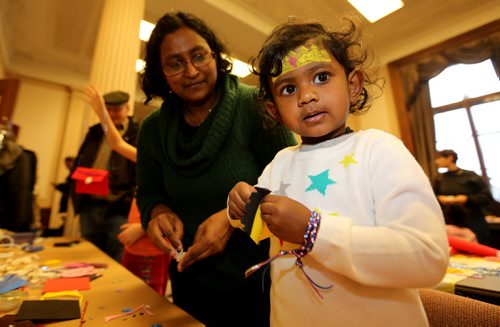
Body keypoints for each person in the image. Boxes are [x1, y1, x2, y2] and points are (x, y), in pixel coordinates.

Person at [227, 19, 449, 326]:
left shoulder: (379, 150)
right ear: (275, 111)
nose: (306, 96)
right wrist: (237, 207)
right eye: (289, 88)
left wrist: (314, 232)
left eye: (320, 77)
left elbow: (428, 258)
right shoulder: (279, 163)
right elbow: (257, 225)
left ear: (353, 84)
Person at [136, 11, 296, 326]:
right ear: (160, 72)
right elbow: (149, 192)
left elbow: (289, 182)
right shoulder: (152, 129)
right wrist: (156, 213)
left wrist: (233, 217)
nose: (191, 71)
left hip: (258, 282)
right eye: (175, 63)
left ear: (215, 55)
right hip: (189, 282)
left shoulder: (254, 106)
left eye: (198, 56)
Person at [83, 85, 171, 296]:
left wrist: (140, 227)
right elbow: (116, 143)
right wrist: (101, 112)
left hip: (152, 244)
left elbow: (172, 204)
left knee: (148, 295)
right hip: (134, 243)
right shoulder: (149, 160)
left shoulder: (169, 166)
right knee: (125, 292)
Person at [70, 90, 138, 262]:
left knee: (116, 260)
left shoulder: (138, 132)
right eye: (108, 110)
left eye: (117, 109)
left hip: (119, 208)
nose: (113, 114)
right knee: (87, 260)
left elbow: (138, 167)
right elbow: (81, 161)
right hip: (90, 205)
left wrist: (128, 199)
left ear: (127, 108)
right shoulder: (94, 132)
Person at [433, 149, 492, 245]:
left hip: (473, 221)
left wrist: (467, 199)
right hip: (449, 223)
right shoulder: (440, 178)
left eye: (439, 158)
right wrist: (440, 198)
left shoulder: (470, 176)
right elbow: (432, 195)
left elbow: (486, 196)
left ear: (450, 158)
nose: (436, 161)